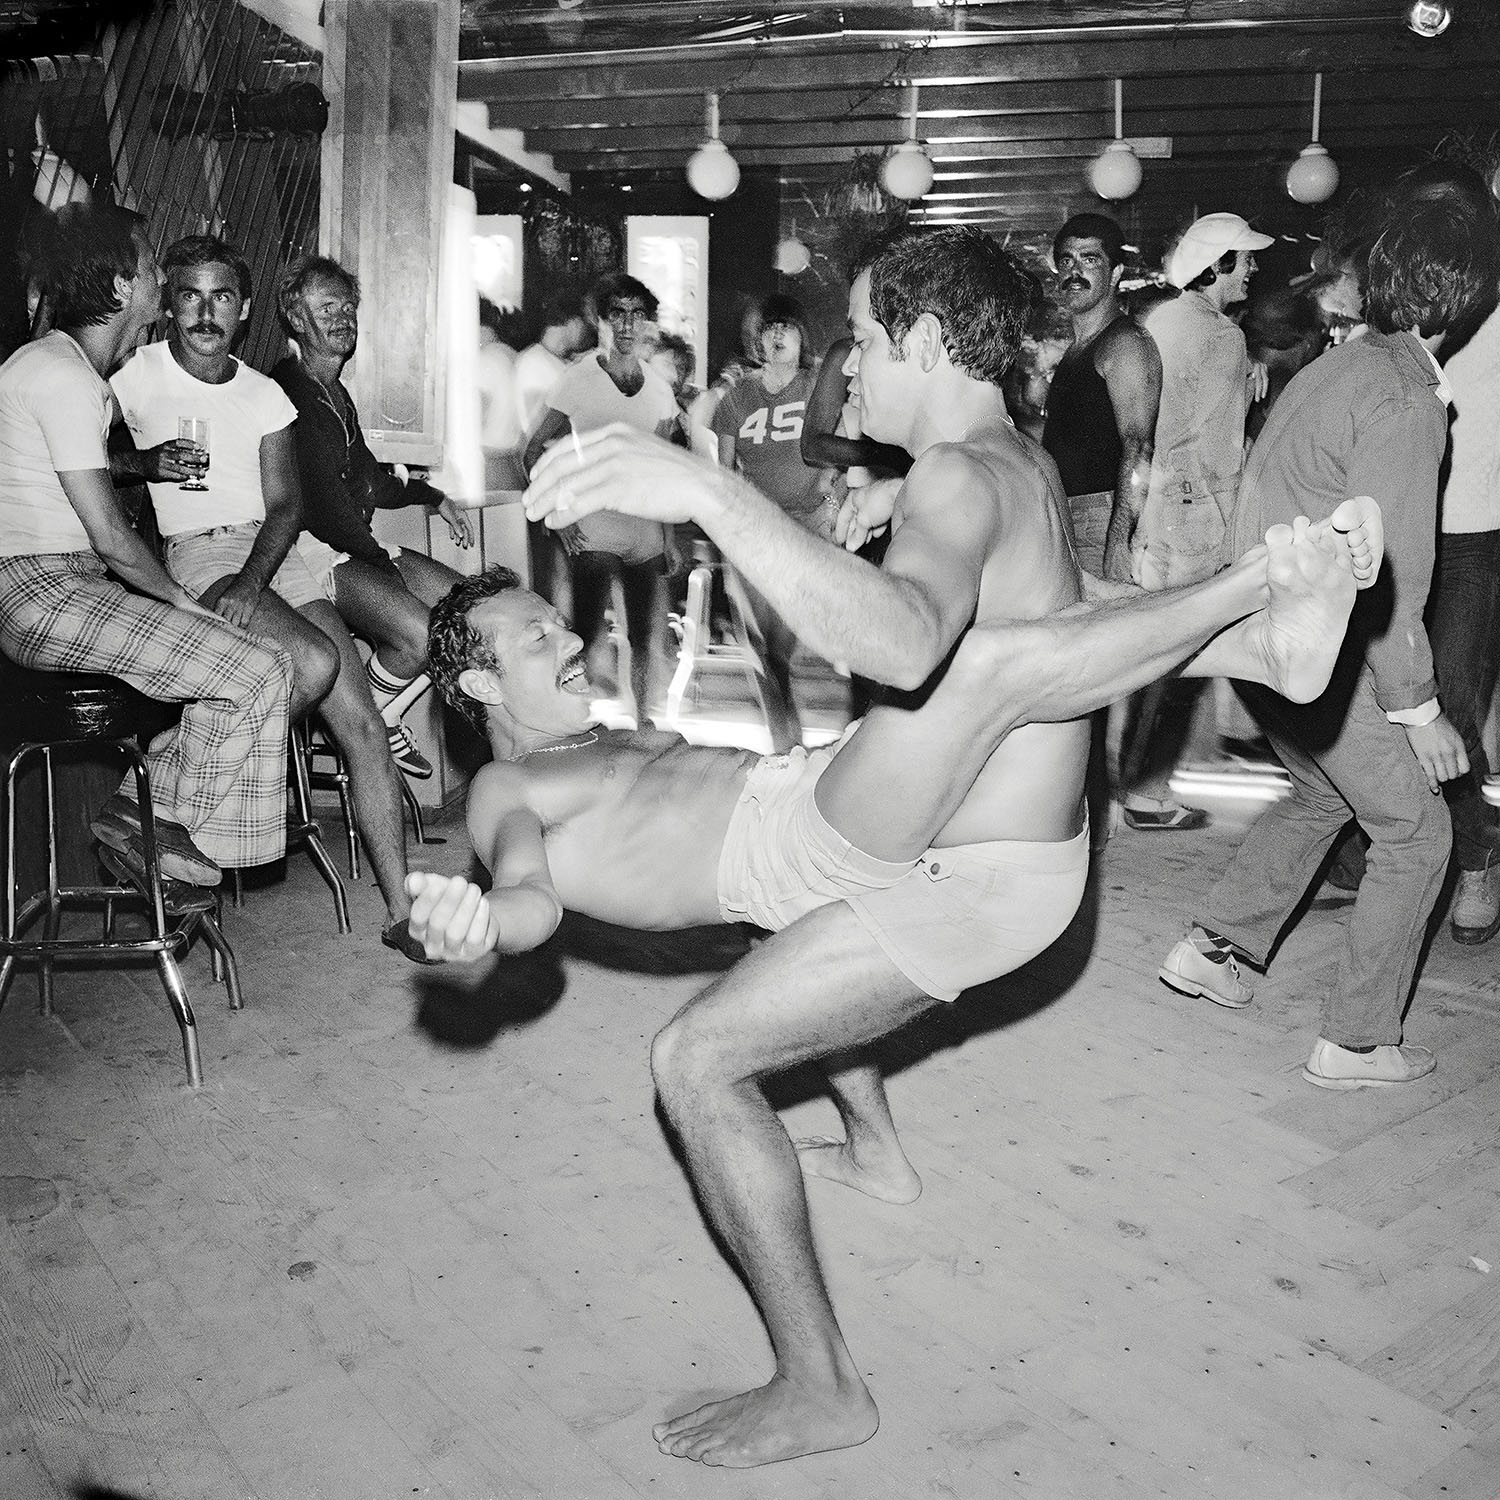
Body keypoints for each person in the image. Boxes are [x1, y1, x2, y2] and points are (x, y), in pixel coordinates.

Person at [512, 225, 1377, 1467]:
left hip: (966, 885)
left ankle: (820, 1387)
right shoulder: (1009, 458)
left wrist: (707, 492)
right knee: (968, 708)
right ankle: (876, 1154)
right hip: (1002, 859)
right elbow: (1070, 623)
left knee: (696, 1059)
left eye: (863, 338)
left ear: (922, 338)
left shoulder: (959, 477)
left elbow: (909, 646)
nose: (846, 368)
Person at [1159, 195, 1500, 1089]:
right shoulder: (1403, 401)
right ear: (1468, 300)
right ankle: (1356, 1042)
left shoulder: (1335, 370)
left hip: (1268, 636)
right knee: (1420, 834)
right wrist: (1418, 708)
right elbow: (1398, 577)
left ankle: (1217, 951)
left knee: (1319, 795)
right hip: (1327, 647)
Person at [109, 234, 429, 961]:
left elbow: (286, 505)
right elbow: (67, 454)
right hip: (204, 548)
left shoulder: (264, 393)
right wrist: (140, 463)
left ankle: (402, 910)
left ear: (245, 309)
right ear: (169, 306)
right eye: (189, 294)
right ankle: (165, 783)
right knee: (313, 663)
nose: (205, 312)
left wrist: (258, 583)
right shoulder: (136, 374)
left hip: (279, 550)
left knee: (360, 722)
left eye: (222, 297)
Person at [0, 202, 292, 891]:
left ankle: (155, 824)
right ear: (124, 284)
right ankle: (159, 827)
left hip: (64, 585)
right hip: (39, 591)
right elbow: (111, 535)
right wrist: (184, 601)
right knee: (255, 670)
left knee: (259, 666)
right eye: (151, 262)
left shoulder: (71, 370)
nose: (163, 275)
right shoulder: (60, 373)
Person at [270, 253, 472, 782]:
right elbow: (320, 506)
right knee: (425, 635)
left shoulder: (335, 391)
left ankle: (375, 706)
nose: (342, 318)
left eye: (348, 306)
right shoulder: (290, 390)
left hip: (353, 542)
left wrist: (432, 495)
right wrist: (381, 563)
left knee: (472, 611)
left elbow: (369, 477)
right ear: (296, 318)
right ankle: (367, 714)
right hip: (307, 551)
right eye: (326, 306)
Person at [521, 271, 679, 723]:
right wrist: (559, 515)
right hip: (592, 525)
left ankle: (642, 722)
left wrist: (667, 537)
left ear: (648, 323)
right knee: (586, 633)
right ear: (602, 321)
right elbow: (531, 451)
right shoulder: (576, 380)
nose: (628, 325)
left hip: (644, 528)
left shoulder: (661, 391)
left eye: (637, 314)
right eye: (618, 315)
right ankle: (573, 720)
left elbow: (663, 468)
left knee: (645, 635)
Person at [711, 293, 837, 749]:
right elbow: (725, 473)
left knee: (794, 639)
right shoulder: (736, 399)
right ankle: (785, 739)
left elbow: (841, 448)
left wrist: (832, 496)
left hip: (808, 527)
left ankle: (821, 735)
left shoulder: (816, 387)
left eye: (787, 326)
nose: (778, 335)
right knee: (767, 647)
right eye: (769, 327)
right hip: (758, 532)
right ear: (756, 340)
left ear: (803, 337)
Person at [1042, 213, 1160, 583]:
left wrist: (1121, 542)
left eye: (1090, 259)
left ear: (1117, 272)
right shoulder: (1080, 348)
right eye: (1067, 261)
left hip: (1102, 518)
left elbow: (1140, 448)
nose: (1075, 272)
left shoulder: (1124, 343)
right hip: (1070, 516)